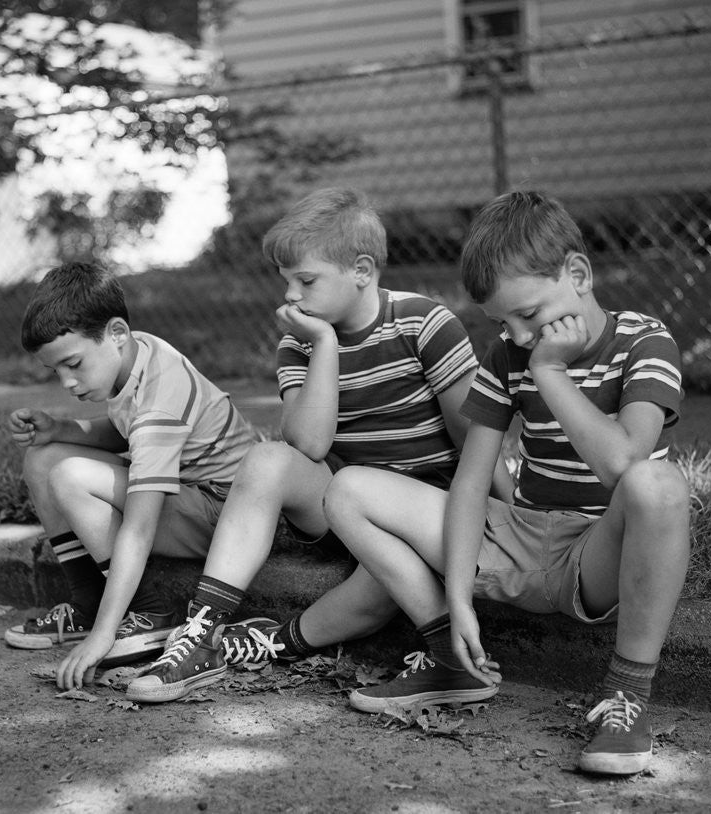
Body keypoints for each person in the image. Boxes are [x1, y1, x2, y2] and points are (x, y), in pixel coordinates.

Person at [322, 190, 689, 777]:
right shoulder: (508, 354)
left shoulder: (644, 343)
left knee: (659, 486)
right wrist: (459, 597)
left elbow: (622, 464)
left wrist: (549, 371)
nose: (519, 336)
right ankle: (449, 651)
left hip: (595, 553)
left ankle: (625, 698)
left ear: (578, 274)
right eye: (503, 323)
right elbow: (471, 482)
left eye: (530, 315)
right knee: (348, 490)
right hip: (515, 536)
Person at [125, 187, 513, 704]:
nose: (290, 297)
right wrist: (325, 346)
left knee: (382, 585)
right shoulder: (299, 343)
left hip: (423, 509)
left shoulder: (425, 324)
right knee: (267, 459)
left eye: (306, 281)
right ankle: (201, 632)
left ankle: (275, 641)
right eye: (286, 283)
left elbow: (475, 438)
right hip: (342, 505)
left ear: (361, 270)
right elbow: (308, 442)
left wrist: (513, 512)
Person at [3, 261, 257, 690]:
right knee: (42, 458)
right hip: (189, 496)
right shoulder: (136, 353)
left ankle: (147, 614)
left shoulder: (160, 392)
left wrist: (103, 639)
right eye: (56, 371)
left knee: (68, 475)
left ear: (116, 333)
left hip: (226, 512)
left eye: (74, 364)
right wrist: (61, 430)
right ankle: (88, 603)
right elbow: (132, 434)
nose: (66, 381)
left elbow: (139, 527)